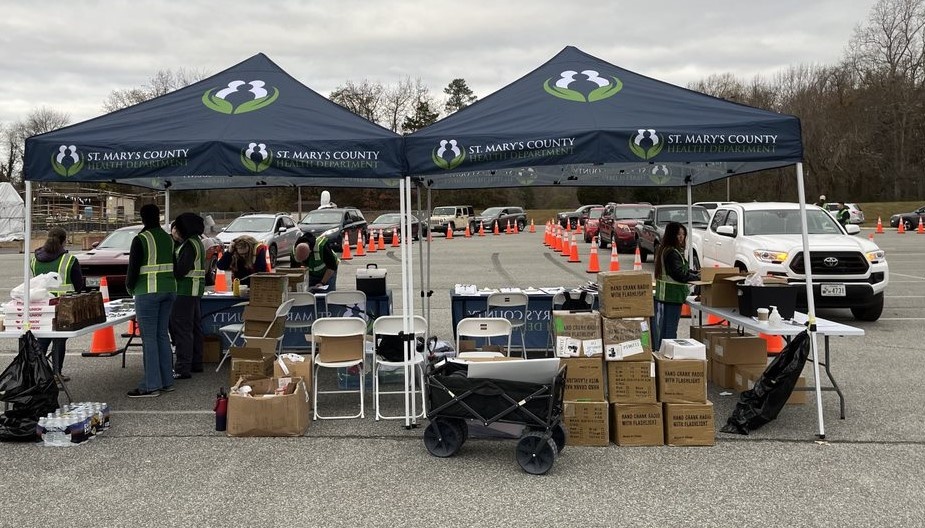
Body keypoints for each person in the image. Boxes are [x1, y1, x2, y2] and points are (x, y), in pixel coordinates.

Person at [125, 204, 177, 397]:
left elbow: (133, 269)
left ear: (142, 218)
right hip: (169, 290)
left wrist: (129, 287)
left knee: (149, 339)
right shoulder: (168, 238)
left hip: (148, 292)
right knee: (162, 336)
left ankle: (151, 385)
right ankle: (166, 381)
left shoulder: (141, 239)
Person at [30, 227, 84, 381]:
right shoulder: (69, 260)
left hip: (41, 305)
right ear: (64, 240)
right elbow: (78, 284)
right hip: (63, 306)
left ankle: (38, 374)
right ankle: (56, 373)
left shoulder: (34, 260)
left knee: (42, 340)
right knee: (59, 340)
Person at [169, 213, 206, 380]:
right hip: (194, 290)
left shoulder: (188, 245)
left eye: (176, 227)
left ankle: (182, 367)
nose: (174, 231)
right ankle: (196, 362)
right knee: (194, 328)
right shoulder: (196, 242)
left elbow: (180, 270)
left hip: (184, 290)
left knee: (182, 330)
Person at [653, 222, 700, 353]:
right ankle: (667, 357)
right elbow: (679, 274)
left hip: (668, 296)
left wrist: (694, 273)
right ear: (671, 235)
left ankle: (662, 354)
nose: (681, 237)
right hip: (670, 297)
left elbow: (681, 270)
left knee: (665, 329)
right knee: (669, 330)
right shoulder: (672, 252)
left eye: (683, 234)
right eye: (678, 234)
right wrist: (698, 278)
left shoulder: (668, 250)